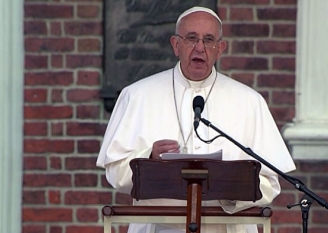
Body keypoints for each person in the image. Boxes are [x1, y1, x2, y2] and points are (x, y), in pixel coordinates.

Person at [97, 6, 296, 233]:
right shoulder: (137, 95)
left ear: (220, 48)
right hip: (158, 226)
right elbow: (115, 172)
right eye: (191, 38)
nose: (200, 47)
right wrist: (148, 159)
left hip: (228, 227)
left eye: (209, 39)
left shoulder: (249, 101)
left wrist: (230, 190)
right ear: (175, 45)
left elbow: (270, 183)